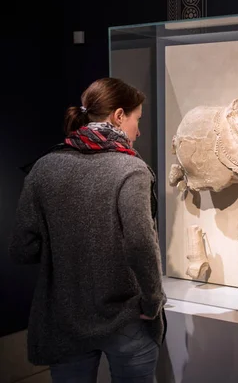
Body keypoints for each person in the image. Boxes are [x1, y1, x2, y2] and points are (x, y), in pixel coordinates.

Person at [9, 77, 167, 382]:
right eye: (137, 119)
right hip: (127, 318)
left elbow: (22, 249)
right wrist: (152, 301)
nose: (139, 130)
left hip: (65, 319)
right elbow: (139, 245)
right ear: (119, 116)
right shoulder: (130, 170)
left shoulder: (44, 167)